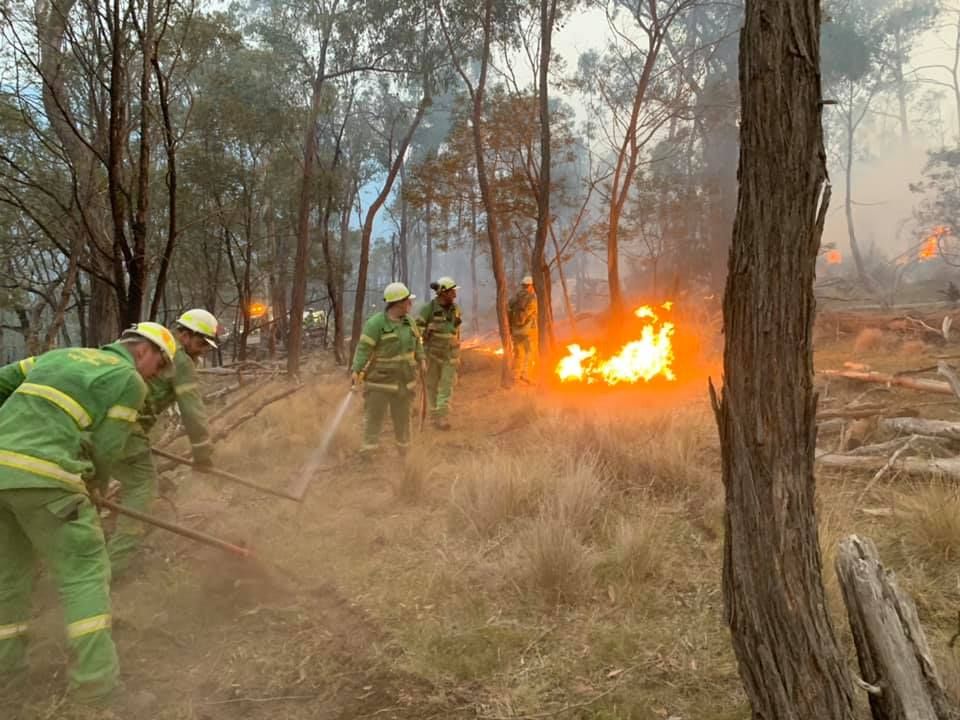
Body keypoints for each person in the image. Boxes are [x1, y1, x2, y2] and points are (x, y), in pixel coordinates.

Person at [0, 323, 176, 703]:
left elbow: (2, 382)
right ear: (144, 352)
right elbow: (107, 447)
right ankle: (97, 687)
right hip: (47, 476)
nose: (156, 377)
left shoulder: (56, 357)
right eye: (159, 367)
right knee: (85, 570)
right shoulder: (129, 379)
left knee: (11, 575)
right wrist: (93, 489)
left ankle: (6, 672)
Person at [107, 309, 219, 577]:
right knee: (142, 487)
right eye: (201, 343)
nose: (203, 351)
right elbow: (192, 411)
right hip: (125, 425)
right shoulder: (180, 360)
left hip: (99, 422)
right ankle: (114, 567)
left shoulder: (150, 346)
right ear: (185, 334)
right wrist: (203, 455)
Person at [351, 282, 424, 456]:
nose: (410, 304)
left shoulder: (410, 322)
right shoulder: (375, 324)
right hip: (379, 383)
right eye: (408, 301)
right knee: (374, 419)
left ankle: (404, 451)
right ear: (398, 303)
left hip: (404, 383)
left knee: (403, 420)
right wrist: (356, 370)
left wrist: (422, 359)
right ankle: (368, 452)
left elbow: (418, 342)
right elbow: (363, 349)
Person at [417, 277, 462, 430]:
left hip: (451, 355)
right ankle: (435, 417)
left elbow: (456, 330)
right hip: (432, 355)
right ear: (443, 293)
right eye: (452, 292)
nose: (455, 295)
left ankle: (442, 416)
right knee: (432, 386)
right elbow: (415, 332)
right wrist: (427, 330)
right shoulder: (427, 309)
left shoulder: (456, 309)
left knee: (447, 385)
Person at [509, 275, 538, 383]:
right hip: (529, 331)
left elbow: (508, 309)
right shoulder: (532, 298)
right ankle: (526, 375)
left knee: (518, 354)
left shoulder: (515, 297)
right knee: (530, 352)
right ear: (530, 286)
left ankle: (515, 376)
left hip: (515, 331)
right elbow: (534, 313)